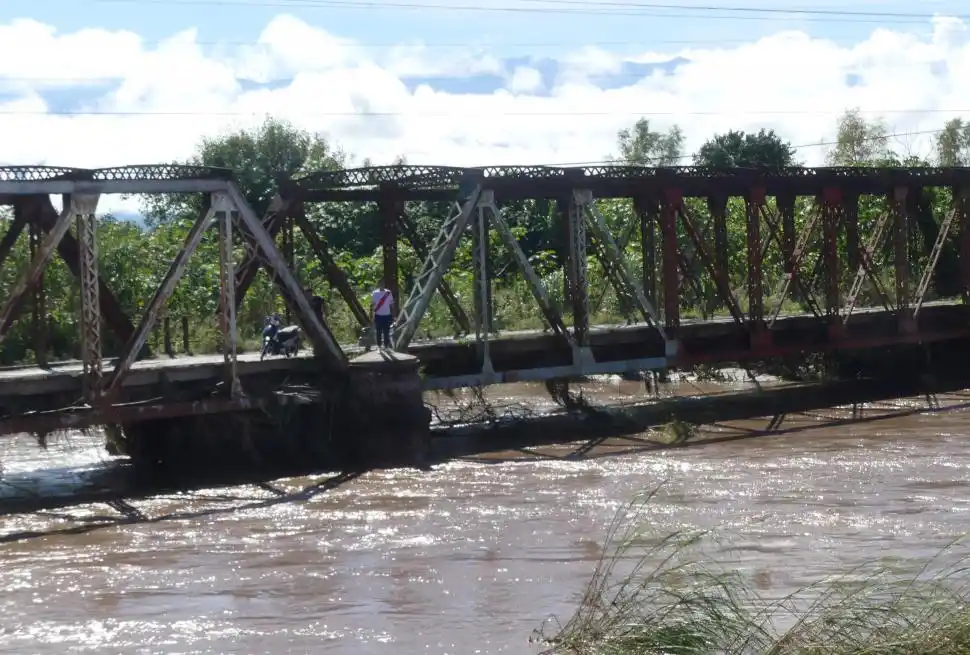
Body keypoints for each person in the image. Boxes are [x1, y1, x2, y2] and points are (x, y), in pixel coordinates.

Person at [370, 279, 395, 349]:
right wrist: (371, 315)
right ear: (378, 285)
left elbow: (392, 304)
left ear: (384, 285)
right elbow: (372, 305)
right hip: (378, 315)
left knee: (386, 331)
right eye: (380, 284)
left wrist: (393, 315)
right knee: (378, 332)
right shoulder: (375, 293)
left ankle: (386, 346)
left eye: (383, 284)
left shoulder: (388, 293)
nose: (382, 285)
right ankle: (379, 346)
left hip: (387, 315)